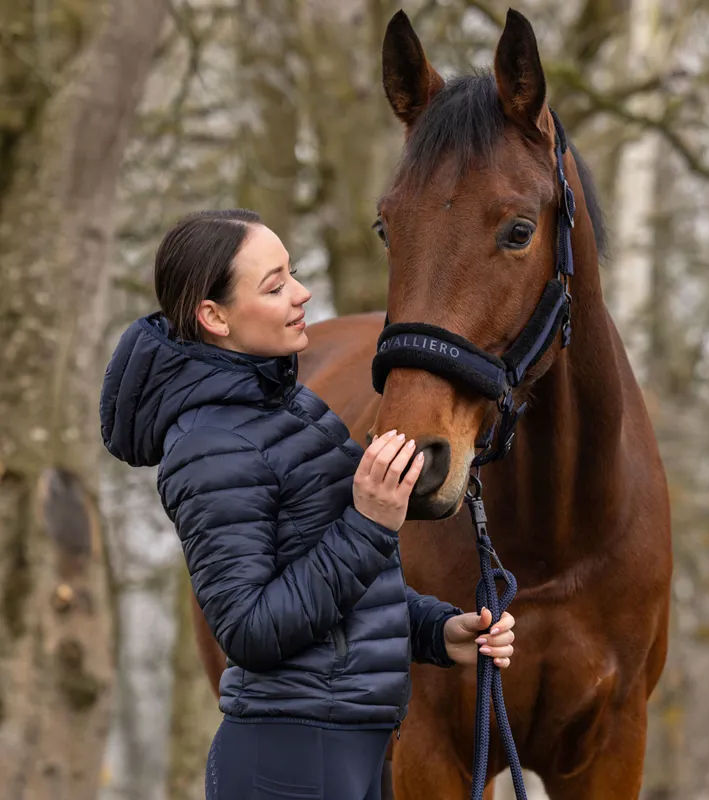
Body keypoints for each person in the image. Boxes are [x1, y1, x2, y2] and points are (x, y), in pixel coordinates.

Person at [99, 209, 516, 800]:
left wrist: (436, 631)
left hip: (351, 745)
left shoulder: (291, 408)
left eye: (292, 273)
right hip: (290, 761)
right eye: (274, 286)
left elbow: (342, 595)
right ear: (214, 316)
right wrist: (370, 521)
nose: (303, 293)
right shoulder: (208, 446)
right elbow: (249, 628)